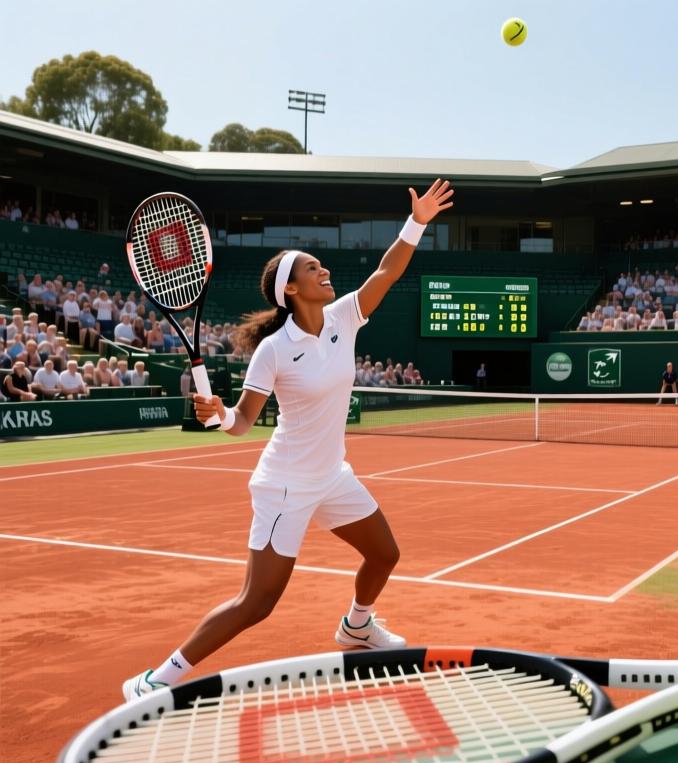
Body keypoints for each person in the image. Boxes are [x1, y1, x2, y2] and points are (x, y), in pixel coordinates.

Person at [122, 179, 454, 701]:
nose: (324, 271)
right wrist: (217, 414)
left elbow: (387, 270)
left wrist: (417, 222)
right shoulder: (274, 351)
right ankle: (156, 677)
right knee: (257, 602)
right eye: (311, 269)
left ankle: (357, 626)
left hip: (331, 477)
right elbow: (241, 424)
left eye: (320, 267)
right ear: (291, 290)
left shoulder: (345, 315)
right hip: (285, 486)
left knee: (384, 554)